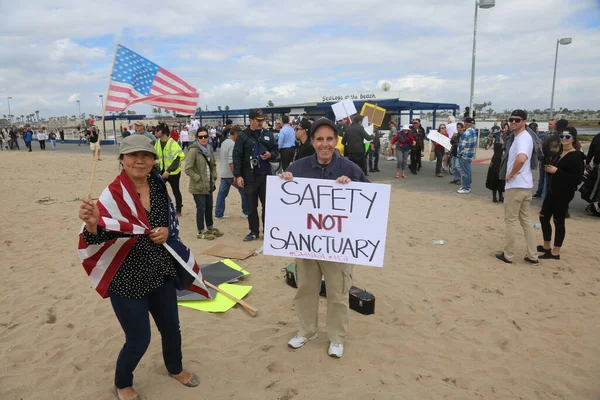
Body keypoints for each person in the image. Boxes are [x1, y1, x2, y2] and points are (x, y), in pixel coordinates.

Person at [78, 135, 201, 400]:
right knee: (138, 339)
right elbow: (96, 238)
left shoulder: (158, 186)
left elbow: (169, 224)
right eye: (133, 155)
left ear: (154, 160)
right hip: (126, 278)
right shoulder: (111, 196)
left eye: (146, 155)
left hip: (160, 272)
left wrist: (166, 232)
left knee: (171, 328)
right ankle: (122, 384)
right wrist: (91, 223)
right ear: (122, 159)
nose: (140, 161)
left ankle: (175, 368)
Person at [279, 117, 368, 359]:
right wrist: (284, 182)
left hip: (338, 247)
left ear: (337, 141)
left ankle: (337, 338)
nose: (325, 144)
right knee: (305, 289)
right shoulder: (298, 167)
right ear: (313, 141)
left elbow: (369, 203)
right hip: (306, 246)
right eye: (320, 139)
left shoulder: (350, 168)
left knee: (338, 293)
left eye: (329, 139)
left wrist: (351, 188)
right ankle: (307, 330)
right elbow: (284, 202)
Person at [495, 110, 538, 265]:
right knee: (526, 221)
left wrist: (511, 174)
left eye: (517, 120)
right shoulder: (522, 137)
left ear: (524, 121)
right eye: (511, 119)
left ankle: (508, 254)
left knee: (511, 221)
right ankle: (533, 255)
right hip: (525, 186)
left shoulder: (522, 138)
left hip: (516, 186)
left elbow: (521, 159)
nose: (513, 122)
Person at [538, 127, 585, 260]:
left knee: (558, 221)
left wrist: (557, 171)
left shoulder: (576, 156)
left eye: (568, 137)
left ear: (573, 139)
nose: (564, 139)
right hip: (552, 191)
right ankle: (546, 246)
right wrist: (549, 169)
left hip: (564, 193)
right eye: (562, 136)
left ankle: (555, 252)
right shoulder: (559, 153)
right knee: (543, 217)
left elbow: (577, 179)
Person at [233, 109, 279, 241]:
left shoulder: (267, 134)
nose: (260, 123)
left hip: (265, 176)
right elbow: (237, 156)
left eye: (261, 120)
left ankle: (268, 231)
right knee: (251, 207)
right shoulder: (243, 136)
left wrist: (270, 155)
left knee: (267, 206)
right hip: (250, 177)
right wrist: (238, 175)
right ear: (251, 120)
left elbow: (276, 151)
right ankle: (254, 231)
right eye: (258, 120)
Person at [184, 128, 224, 240]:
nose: (203, 139)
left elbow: (213, 165)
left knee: (209, 207)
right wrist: (198, 179)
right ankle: (200, 231)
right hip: (198, 186)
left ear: (208, 137)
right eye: (200, 137)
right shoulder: (193, 150)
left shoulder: (209, 148)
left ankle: (210, 228)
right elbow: (188, 169)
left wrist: (214, 176)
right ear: (197, 138)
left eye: (205, 136)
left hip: (209, 185)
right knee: (201, 208)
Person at [215, 125, 249, 219]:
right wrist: (236, 175)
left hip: (224, 173)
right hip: (231, 174)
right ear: (236, 134)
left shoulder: (224, 142)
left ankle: (218, 214)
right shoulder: (233, 144)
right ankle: (246, 212)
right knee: (243, 191)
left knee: (221, 195)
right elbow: (231, 161)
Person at [154, 122, 185, 216]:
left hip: (173, 172)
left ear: (163, 131)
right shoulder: (157, 143)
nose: (155, 132)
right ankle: (161, 208)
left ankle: (178, 209)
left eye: (157, 130)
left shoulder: (173, 143)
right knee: (157, 190)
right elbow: (156, 157)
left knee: (176, 190)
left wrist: (168, 171)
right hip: (161, 171)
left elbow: (178, 158)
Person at [456, 118, 477, 193]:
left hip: (464, 154)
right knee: (468, 171)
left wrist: (458, 154)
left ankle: (466, 188)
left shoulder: (466, 133)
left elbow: (462, 145)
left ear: (466, 123)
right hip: (470, 154)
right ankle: (467, 186)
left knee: (465, 172)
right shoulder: (473, 131)